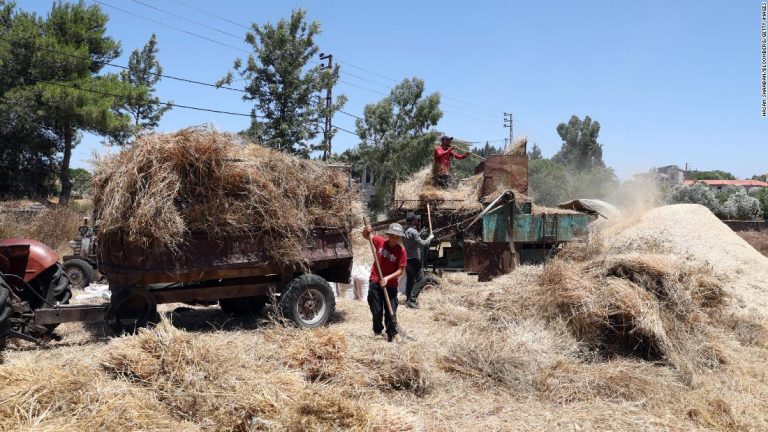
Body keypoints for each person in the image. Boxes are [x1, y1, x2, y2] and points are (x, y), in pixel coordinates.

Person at [362, 222, 407, 341]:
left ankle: (391, 334)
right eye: (392, 235)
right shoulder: (380, 241)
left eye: (397, 236)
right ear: (389, 235)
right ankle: (377, 332)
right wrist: (366, 230)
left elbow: (400, 270)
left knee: (391, 311)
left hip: (391, 285)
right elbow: (366, 236)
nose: (394, 238)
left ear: (399, 237)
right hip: (375, 281)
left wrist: (387, 278)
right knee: (376, 310)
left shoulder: (401, 251)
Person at [402, 212, 434, 309]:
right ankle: (412, 300)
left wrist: (419, 234)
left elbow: (412, 240)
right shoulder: (414, 232)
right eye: (416, 219)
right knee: (421, 280)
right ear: (413, 221)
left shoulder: (405, 230)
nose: (417, 220)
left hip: (407, 259)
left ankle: (408, 299)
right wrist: (430, 238)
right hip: (414, 259)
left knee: (410, 280)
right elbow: (423, 244)